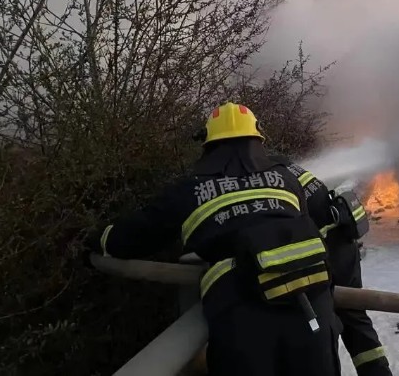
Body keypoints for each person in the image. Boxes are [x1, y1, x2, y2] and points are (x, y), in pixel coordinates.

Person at [88, 103, 341, 376]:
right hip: (311, 308)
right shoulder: (286, 179)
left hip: (243, 317)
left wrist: (95, 240)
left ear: (208, 145)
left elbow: (133, 237)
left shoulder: (190, 190)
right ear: (258, 140)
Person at [286, 161, 392, 374]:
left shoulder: (254, 176)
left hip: (320, 252)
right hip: (342, 241)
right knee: (355, 318)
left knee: (322, 325)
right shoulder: (282, 163)